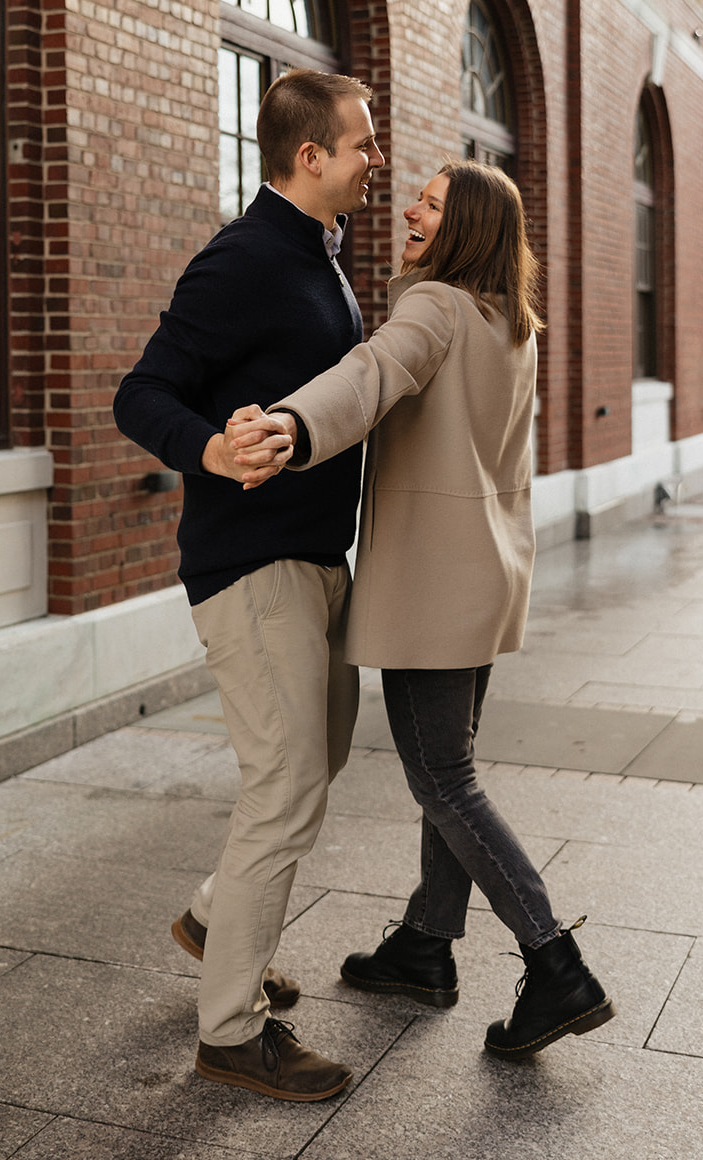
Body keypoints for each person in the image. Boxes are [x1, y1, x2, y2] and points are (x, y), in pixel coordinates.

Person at [228, 160, 615, 1059]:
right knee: (450, 772)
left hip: (435, 583)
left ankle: (555, 965)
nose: (410, 208)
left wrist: (290, 423)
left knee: (444, 781)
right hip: (486, 574)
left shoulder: (434, 308)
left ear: (465, 227)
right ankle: (425, 945)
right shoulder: (506, 321)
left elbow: (370, 373)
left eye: (432, 205)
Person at [113, 68, 385, 1101]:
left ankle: (213, 920)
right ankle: (231, 1029)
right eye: (360, 143)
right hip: (251, 566)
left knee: (304, 776)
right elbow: (141, 392)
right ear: (307, 155)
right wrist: (209, 455)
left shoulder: (317, 253)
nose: (374, 157)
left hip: (316, 558)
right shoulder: (240, 260)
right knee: (281, 785)